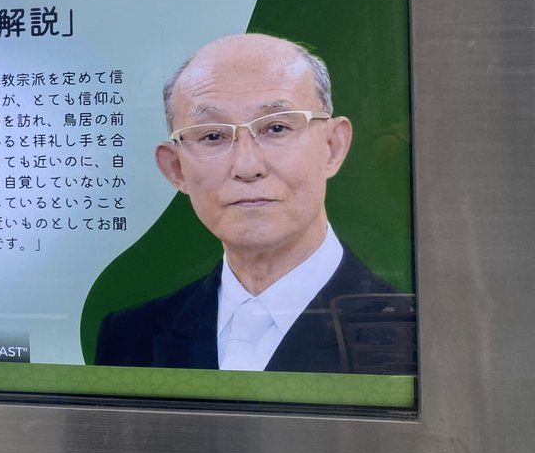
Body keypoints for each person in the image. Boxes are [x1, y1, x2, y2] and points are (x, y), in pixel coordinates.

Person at [94, 33, 415, 374]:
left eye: (276, 128)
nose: (247, 167)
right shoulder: (129, 337)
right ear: (176, 168)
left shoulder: (417, 336)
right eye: (213, 136)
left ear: (333, 147)